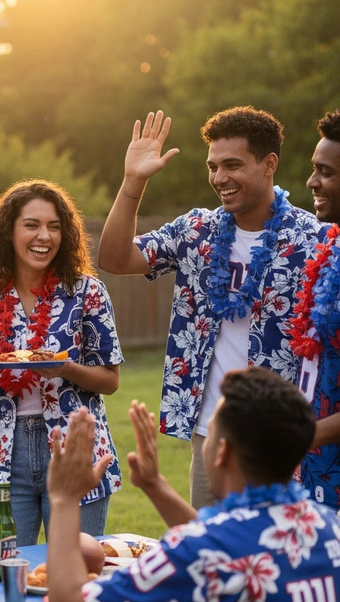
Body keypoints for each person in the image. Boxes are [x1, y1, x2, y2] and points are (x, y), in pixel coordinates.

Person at [46, 367, 340, 602]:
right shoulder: (330, 530)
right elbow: (231, 555)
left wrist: (64, 499)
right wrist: (156, 487)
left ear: (222, 452)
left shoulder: (202, 555)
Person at [98, 107, 326, 509]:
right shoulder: (196, 230)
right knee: (213, 560)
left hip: (286, 436)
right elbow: (115, 259)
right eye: (213, 166)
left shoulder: (314, 241)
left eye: (232, 165)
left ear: (269, 164)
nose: (220, 178)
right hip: (213, 434)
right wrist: (133, 181)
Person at [0, 180, 122, 543]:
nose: (44, 236)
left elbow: (110, 379)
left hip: (74, 448)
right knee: (3, 571)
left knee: (77, 570)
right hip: (3, 453)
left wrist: (64, 368)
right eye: (31, 224)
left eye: (54, 226)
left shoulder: (87, 292)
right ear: (9, 231)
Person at [289, 109, 340, 509]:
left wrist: (300, 435)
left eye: (325, 172)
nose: (311, 182)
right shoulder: (330, 249)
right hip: (312, 465)